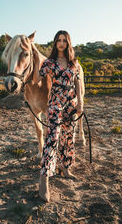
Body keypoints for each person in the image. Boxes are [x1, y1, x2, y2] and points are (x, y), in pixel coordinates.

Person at [32, 30, 83, 202]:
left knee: (68, 136)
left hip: (71, 103)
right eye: (58, 40)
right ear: (55, 43)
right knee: (52, 138)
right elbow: (36, 79)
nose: (61, 43)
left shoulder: (73, 62)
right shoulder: (49, 62)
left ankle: (66, 168)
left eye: (64, 40)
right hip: (55, 103)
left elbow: (77, 82)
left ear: (68, 43)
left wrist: (80, 104)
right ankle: (44, 178)